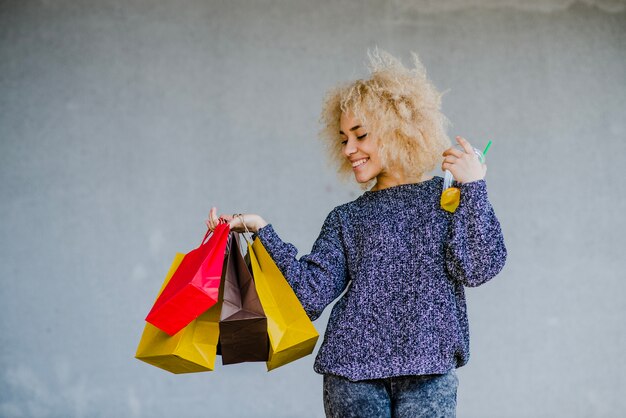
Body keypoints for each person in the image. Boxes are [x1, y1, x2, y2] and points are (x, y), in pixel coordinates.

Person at [206, 50, 507, 418]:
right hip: (350, 376)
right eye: (343, 138)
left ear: (399, 130)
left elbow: (478, 267)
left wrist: (474, 188)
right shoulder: (347, 218)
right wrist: (260, 230)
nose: (349, 149)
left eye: (360, 135)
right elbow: (308, 296)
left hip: (429, 373)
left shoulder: (449, 199)